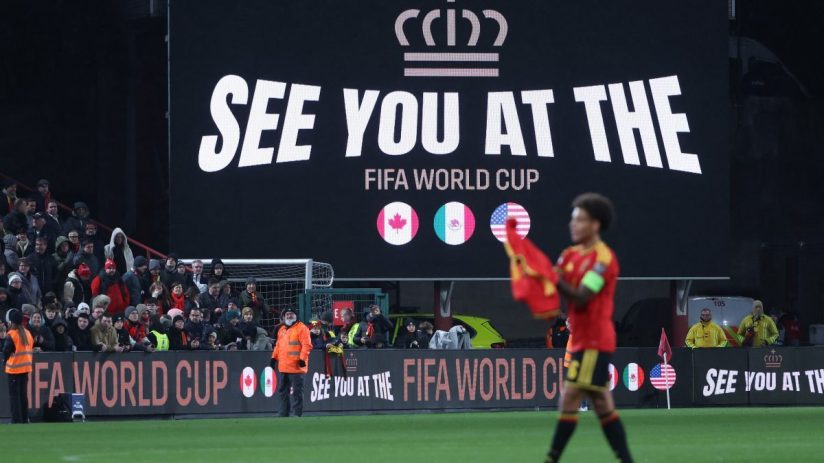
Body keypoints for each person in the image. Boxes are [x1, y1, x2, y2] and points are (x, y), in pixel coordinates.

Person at [546, 193, 632, 463]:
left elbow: (583, 295)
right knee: (603, 404)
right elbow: (552, 285)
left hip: (594, 340)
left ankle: (551, 458)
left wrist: (550, 277)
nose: (573, 225)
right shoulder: (568, 255)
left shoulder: (603, 259)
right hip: (582, 339)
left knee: (569, 397)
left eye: (580, 219)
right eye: (573, 219)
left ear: (596, 224)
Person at [270, 307, 311, 417]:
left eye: (291, 314)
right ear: (283, 316)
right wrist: (273, 358)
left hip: (297, 367)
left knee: (297, 392)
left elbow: (306, 345)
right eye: (287, 314)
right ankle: (284, 412)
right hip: (283, 367)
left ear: (296, 315)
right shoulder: (281, 330)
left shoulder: (302, 328)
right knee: (283, 391)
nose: (289, 316)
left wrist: (302, 359)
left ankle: (297, 414)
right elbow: (278, 346)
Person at [2, 308, 33, 423]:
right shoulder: (28, 333)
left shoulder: (12, 334)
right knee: (23, 395)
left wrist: (5, 360)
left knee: (14, 396)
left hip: (14, 369)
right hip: (25, 368)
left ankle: (16, 419)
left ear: (12, 322)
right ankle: (25, 418)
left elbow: (6, 350)